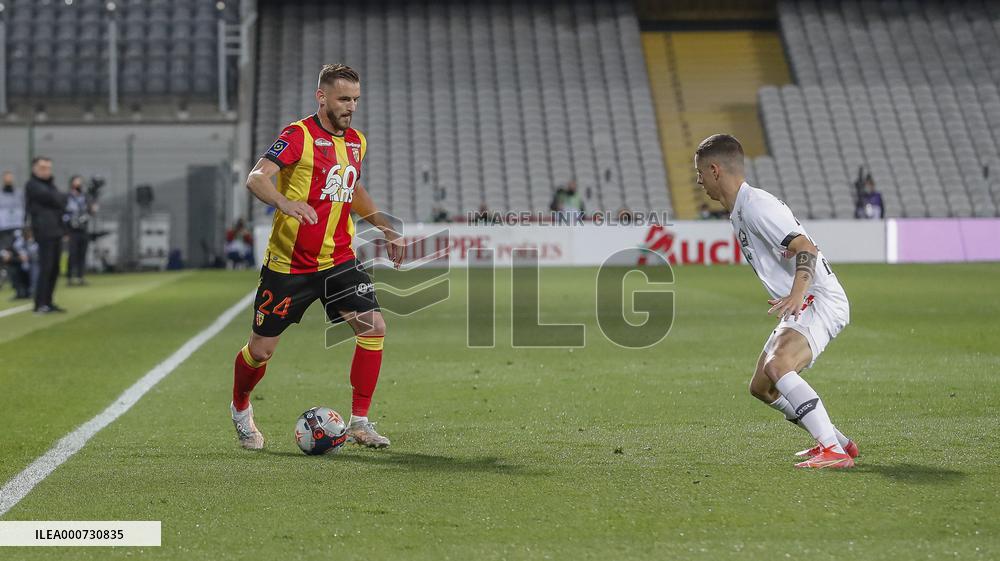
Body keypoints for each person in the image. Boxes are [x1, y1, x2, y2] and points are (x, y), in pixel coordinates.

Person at [232, 63, 404, 451]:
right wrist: (283, 201)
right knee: (260, 352)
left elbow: (353, 190)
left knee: (373, 327)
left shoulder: (357, 141)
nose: (351, 107)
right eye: (345, 99)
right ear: (321, 97)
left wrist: (386, 227)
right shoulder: (298, 135)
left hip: (338, 259)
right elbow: (256, 177)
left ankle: (360, 422)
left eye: (356, 100)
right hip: (289, 266)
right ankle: (241, 409)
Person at [695, 134, 857, 469]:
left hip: (817, 296)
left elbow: (806, 248)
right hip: (805, 296)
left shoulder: (756, 206)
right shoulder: (741, 209)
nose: (698, 181)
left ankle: (833, 451)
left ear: (715, 170)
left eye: (699, 173)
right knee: (762, 386)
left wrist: (797, 294)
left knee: (778, 366)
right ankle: (839, 442)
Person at [25, 157, 68, 313]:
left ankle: (48, 301)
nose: (46, 171)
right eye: (42, 167)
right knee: (46, 267)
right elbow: (54, 198)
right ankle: (40, 303)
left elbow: (61, 200)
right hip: (43, 232)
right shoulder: (32, 185)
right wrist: (58, 199)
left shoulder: (51, 186)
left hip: (56, 230)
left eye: (48, 168)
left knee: (55, 268)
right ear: (35, 168)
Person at [65, 175, 95, 285]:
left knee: (82, 254)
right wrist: (65, 231)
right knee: (72, 254)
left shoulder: (85, 197)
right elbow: (64, 213)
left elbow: (91, 211)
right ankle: (69, 277)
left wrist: (93, 208)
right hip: (72, 230)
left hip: (83, 229)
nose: (79, 184)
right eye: (77, 181)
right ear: (72, 183)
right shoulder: (67, 197)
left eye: (80, 182)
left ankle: (80, 277)